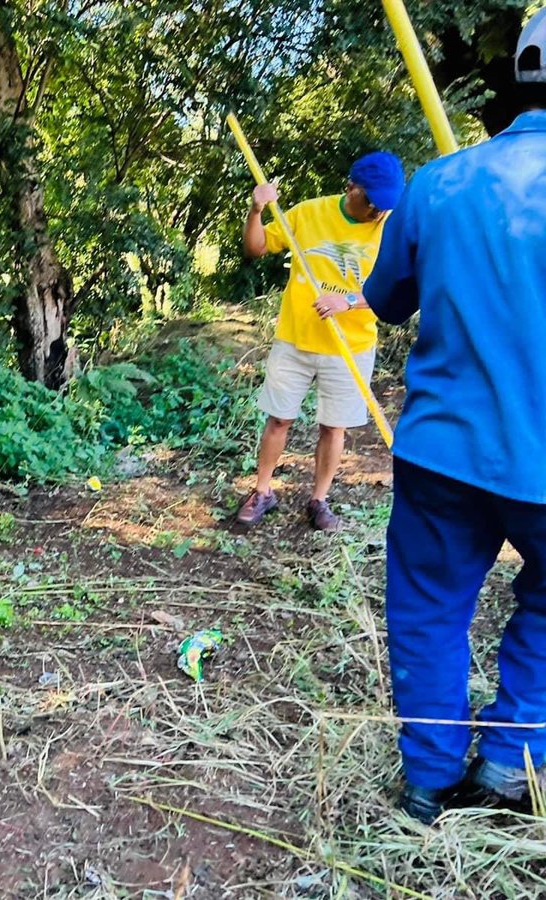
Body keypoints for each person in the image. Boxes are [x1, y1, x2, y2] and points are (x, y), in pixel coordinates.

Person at [365, 9, 546, 825]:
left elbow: (387, 301)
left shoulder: (438, 182)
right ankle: (511, 757)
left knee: (430, 612)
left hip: (443, 456)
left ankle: (430, 780)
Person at [235, 152, 406, 532]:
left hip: (353, 345)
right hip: (296, 339)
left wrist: (346, 301)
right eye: (374, 202)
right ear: (352, 188)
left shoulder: (392, 228)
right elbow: (257, 247)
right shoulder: (308, 213)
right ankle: (263, 491)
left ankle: (319, 499)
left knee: (334, 427)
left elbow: (399, 289)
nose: (379, 211)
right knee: (278, 419)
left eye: (386, 204)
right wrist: (256, 210)